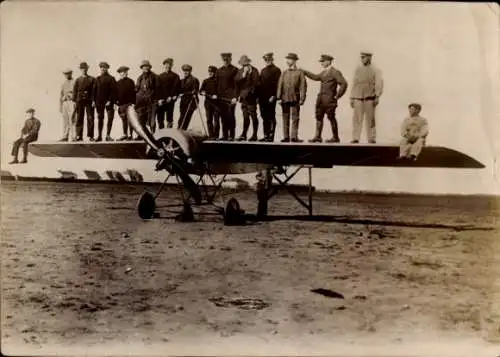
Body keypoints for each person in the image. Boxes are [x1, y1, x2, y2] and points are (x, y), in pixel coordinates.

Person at [302, 54, 348, 143]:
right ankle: (318, 137)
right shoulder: (324, 72)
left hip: (330, 101)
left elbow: (344, 84)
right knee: (319, 117)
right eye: (321, 62)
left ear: (329, 61)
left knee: (331, 117)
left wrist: (337, 95)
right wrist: (304, 72)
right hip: (321, 100)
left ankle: (335, 137)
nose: (321, 63)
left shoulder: (335, 72)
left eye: (323, 61)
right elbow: (315, 77)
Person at [350, 51, 384, 144]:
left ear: (369, 58)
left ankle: (371, 138)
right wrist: (351, 97)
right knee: (357, 118)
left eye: (364, 57)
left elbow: (379, 84)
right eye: (361, 57)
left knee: (370, 119)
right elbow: (354, 83)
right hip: (358, 96)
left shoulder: (375, 69)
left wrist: (377, 96)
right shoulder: (358, 69)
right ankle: (355, 137)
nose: (362, 59)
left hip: (370, 96)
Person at [276, 53, 307, 142]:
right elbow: (280, 85)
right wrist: (278, 98)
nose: (287, 61)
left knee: (295, 118)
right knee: (285, 117)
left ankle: (294, 137)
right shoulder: (284, 72)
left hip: (295, 98)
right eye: (287, 59)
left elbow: (303, 86)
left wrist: (302, 98)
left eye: (289, 59)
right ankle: (286, 137)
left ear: (294, 61)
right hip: (285, 98)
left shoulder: (300, 72)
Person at [235, 55, 260, 141]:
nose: (244, 65)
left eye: (245, 64)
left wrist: (251, 92)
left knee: (253, 116)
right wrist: (244, 75)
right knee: (245, 116)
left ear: (248, 63)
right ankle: (244, 134)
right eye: (243, 64)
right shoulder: (240, 71)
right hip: (243, 98)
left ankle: (254, 135)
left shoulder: (254, 70)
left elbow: (257, 84)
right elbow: (236, 81)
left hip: (251, 97)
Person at [258, 52, 281, 141]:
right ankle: (265, 135)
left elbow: (278, 84)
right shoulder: (263, 70)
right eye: (266, 60)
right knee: (264, 116)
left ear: (272, 59)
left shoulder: (277, 70)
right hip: (262, 97)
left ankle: (271, 136)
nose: (267, 61)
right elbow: (259, 84)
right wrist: (258, 97)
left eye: (269, 59)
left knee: (271, 116)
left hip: (271, 97)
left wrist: (274, 95)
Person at [216, 52, 239, 140]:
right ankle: (224, 135)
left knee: (231, 116)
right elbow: (217, 84)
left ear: (230, 59)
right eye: (224, 60)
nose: (225, 61)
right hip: (221, 98)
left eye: (227, 60)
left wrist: (235, 97)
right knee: (223, 117)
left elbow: (236, 85)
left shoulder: (235, 70)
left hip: (231, 98)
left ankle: (231, 135)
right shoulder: (219, 70)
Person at [73, 62, 96, 141]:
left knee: (90, 117)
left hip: (89, 100)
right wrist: (74, 102)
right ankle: (79, 136)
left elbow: (94, 91)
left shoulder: (92, 79)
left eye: (85, 68)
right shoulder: (78, 80)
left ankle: (91, 136)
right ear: (80, 69)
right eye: (82, 68)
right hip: (79, 100)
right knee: (79, 118)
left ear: (87, 69)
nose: (84, 70)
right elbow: (75, 91)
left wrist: (93, 100)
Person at [94, 61, 116, 141]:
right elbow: (94, 91)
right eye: (101, 67)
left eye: (105, 67)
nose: (103, 69)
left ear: (107, 68)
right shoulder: (97, 79)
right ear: (100, 68)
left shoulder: (111, 79)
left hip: (108, 102)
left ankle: (108, 135)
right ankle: (99, 136)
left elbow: (113, 91)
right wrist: (93, 101)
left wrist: (110, 100)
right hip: (99, 102)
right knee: (100, 118)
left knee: (110, 118)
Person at [156, 58, 181, 129]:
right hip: (161, 101)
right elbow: (158, 89)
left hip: (170, 101)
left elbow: (176, 88)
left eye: (169, 65)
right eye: (166, 65)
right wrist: (159, 99)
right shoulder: (160, 76)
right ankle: (161, 133)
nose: (167, 66)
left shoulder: (175, 76)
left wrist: (172, 96)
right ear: (164, 66)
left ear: (171, 65)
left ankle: (169, 133)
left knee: (169, 117)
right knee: (160, 117)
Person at [115, 66, 136, 140]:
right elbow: (115, 94)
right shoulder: (117, 83)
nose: (124, 73)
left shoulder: (131, 82)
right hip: (121, 105)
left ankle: (130, 135)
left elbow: (134, 93)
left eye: (125, 72)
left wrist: (133, 103)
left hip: (129, 104)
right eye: (122, 72)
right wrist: (116, 103)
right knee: (124, 120)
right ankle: (125, 134)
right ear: (120, 73)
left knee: (130, 120)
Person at [200, 65, 220, 138]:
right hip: (208, 103)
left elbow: (221, 91)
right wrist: (203, 93)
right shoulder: (206, 81)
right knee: (209, 119)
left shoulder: (218, 81)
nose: (210, 73)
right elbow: (200, 91)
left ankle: (216, 136)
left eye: (212, 72)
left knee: (216, 120)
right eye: (209, 71)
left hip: (216, 104)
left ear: (215, 72)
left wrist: (217, 95)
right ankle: (211, 135)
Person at [178, 64, 200, 130]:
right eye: (184, 71)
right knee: (182, 117)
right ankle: (180, 130)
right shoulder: (181, 81)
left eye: (187, 71)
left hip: (191, 102)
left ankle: (182, 130)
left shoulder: (194, 80)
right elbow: (179, 91)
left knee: (186, 118)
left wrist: (184, 94)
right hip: (183, 102)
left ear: (190, 71)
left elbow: (195, 91)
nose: (185, 72)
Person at [59, 69, 75, 141]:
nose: (67, 75)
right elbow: (61, 94)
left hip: (72, 102)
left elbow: (77, 93)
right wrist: (60, 106)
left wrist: (71, 96)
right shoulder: (64, 83)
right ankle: (65, 136)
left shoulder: (74, 82)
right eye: (65, 74)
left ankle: (74, 136)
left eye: (68, 73)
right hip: (65, 103)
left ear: (71, 74)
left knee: (72, 119)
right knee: (65, 120)